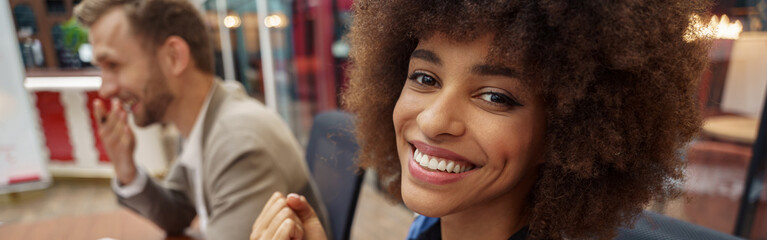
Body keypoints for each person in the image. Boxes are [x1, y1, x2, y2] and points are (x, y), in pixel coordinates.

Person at [251, 0, 710, 239]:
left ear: (568, 131)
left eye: (495, 96)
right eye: (425, 78)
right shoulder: (430, 229)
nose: (433, 120)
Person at [74, 0, 327, 239]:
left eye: (113, 65)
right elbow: (177, 212)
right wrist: (126, 171)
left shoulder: (238, 141)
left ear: (174, 57)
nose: (105, 90)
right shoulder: (203, 120)